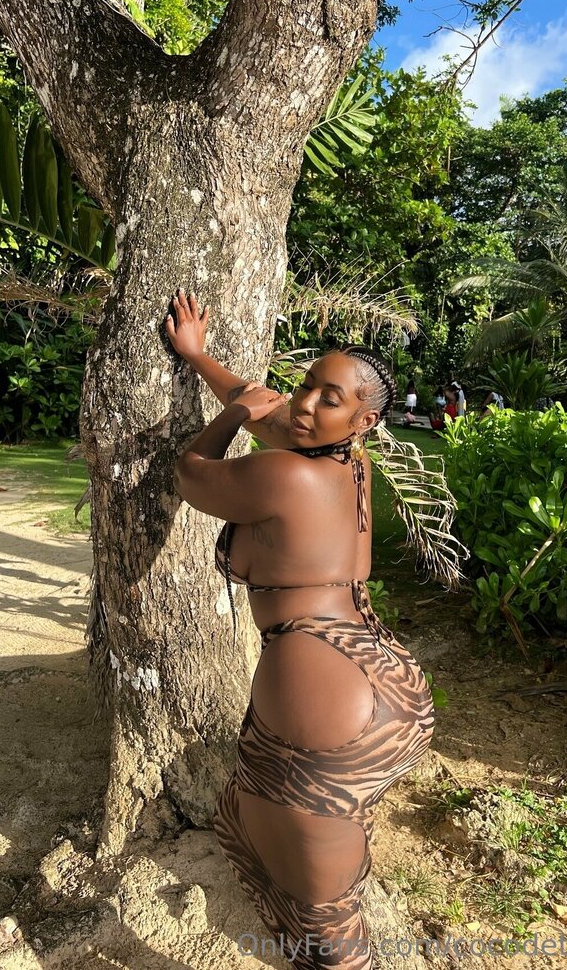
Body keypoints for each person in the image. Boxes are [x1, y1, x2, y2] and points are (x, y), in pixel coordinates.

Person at [165, 289, 435, 970]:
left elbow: (192, 473)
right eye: (307, 385)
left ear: (364, 419)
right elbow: (270, 408)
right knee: (275, 837)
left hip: (325, 696)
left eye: (329, 398)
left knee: (324, 916)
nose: (306, 404)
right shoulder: (349, 463)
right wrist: (199, 358)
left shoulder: (285, 474)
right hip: (383, 680)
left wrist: (230, 415)